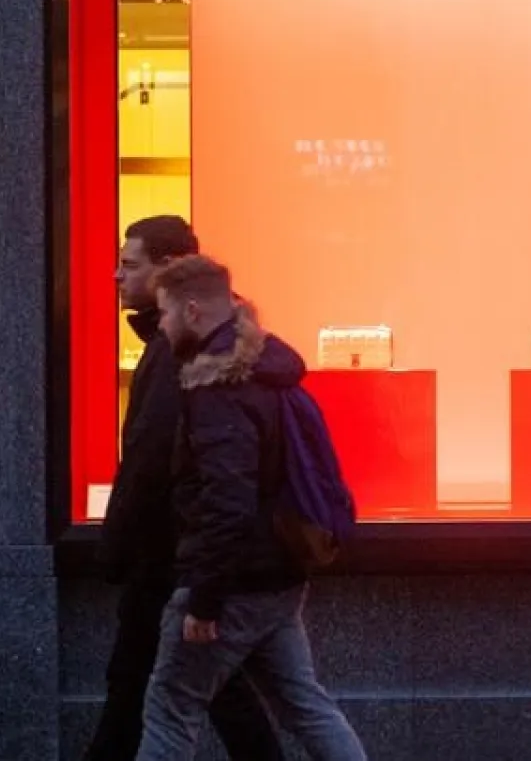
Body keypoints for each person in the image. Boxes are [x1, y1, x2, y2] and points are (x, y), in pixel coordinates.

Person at [136, 254, 367, 761]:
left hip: (236, 583)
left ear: (193, 310)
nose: (163, 325)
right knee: (305, 704)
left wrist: (204, 600)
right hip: (279, 576)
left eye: (166, 313)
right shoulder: (268, 371)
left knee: (171, 706)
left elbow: (228, 501)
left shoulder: (217, 386)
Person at [86, 217, 281, 761]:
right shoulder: (187, 342)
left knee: (153, 694)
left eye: (129, 265)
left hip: (170, 558)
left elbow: (153, 465)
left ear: (168, 272)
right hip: (179, 557)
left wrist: (117, 548)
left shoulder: (183, 349)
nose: (116, 276)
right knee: (221, 696)